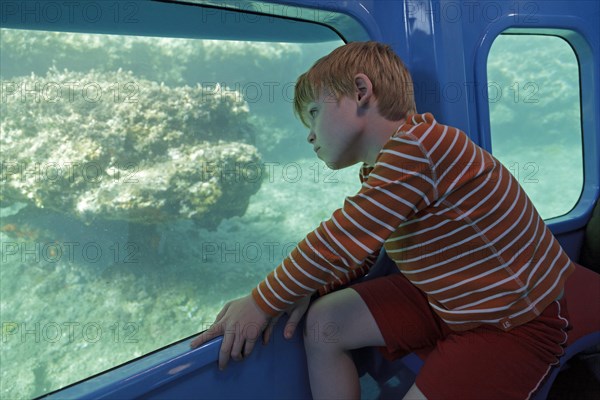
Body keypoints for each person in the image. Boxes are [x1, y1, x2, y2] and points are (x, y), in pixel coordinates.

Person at [191, 41, 575, 400]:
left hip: (510, 324)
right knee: (326, 321)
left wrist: (260, 302)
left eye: (313, 113)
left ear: (361, 91)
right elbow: (361, 250)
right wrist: (309, 288)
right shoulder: (384, 166)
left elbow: (339, 239)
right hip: (445, 300)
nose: (309, 136)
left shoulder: (425, 146)